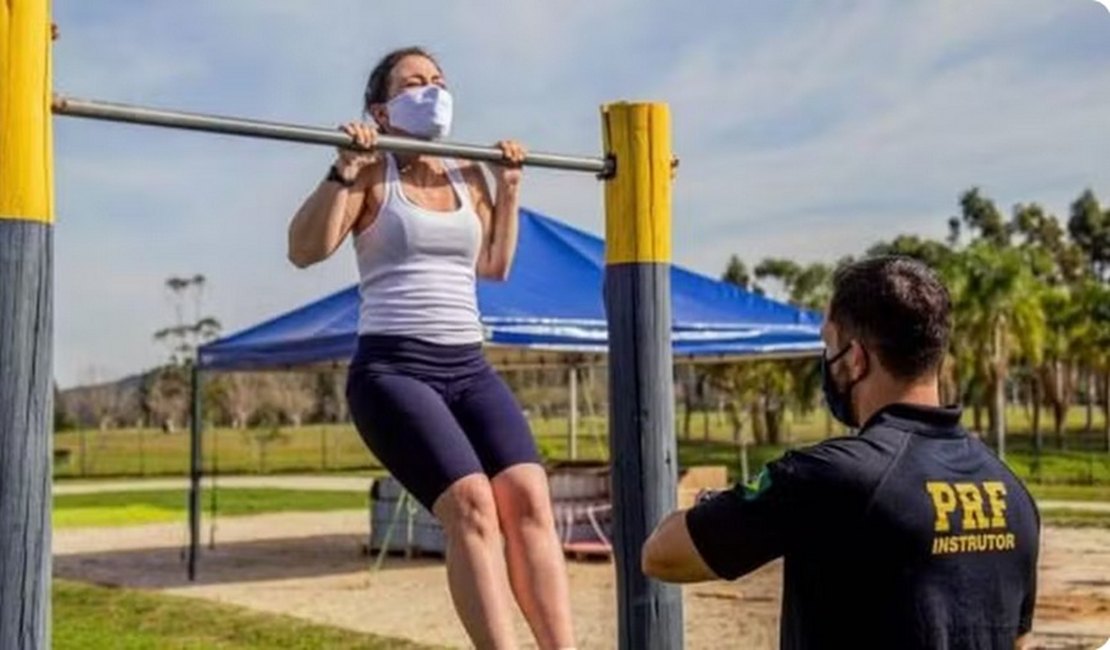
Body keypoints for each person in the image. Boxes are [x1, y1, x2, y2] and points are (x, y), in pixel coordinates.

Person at [287, 46, 575, 650]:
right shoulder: (370, 169)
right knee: (471, 504)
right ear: (382, 110)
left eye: (438, 80)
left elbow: (494, 265)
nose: (432, 90)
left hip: (468, 365)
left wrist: (510, 186)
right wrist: (342, 167)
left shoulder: (468, 172)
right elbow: (304, 250)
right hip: (394, 368)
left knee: (528, 498)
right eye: (414, 82)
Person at [642, 256, 1040, 649]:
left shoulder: (831, 477)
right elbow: (1018, 641)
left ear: (854, 360)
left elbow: (661, 554)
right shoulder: (1011, 493)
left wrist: (721, 507)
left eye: (828, 344)